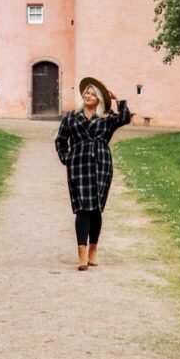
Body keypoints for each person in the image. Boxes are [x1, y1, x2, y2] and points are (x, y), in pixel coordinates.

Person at [54, 76, 131, 270]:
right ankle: (81, 254)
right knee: (82, 208)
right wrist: (67, 158)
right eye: (86, 93)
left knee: (96, 208)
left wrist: (117, 100)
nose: (88, 96)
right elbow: (60, 141)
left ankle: (93, 250)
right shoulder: (71, 117)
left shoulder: (107, 118)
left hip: (101, 163)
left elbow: (125, 118)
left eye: (92, 94)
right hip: (79, 165)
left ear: (99, 99)